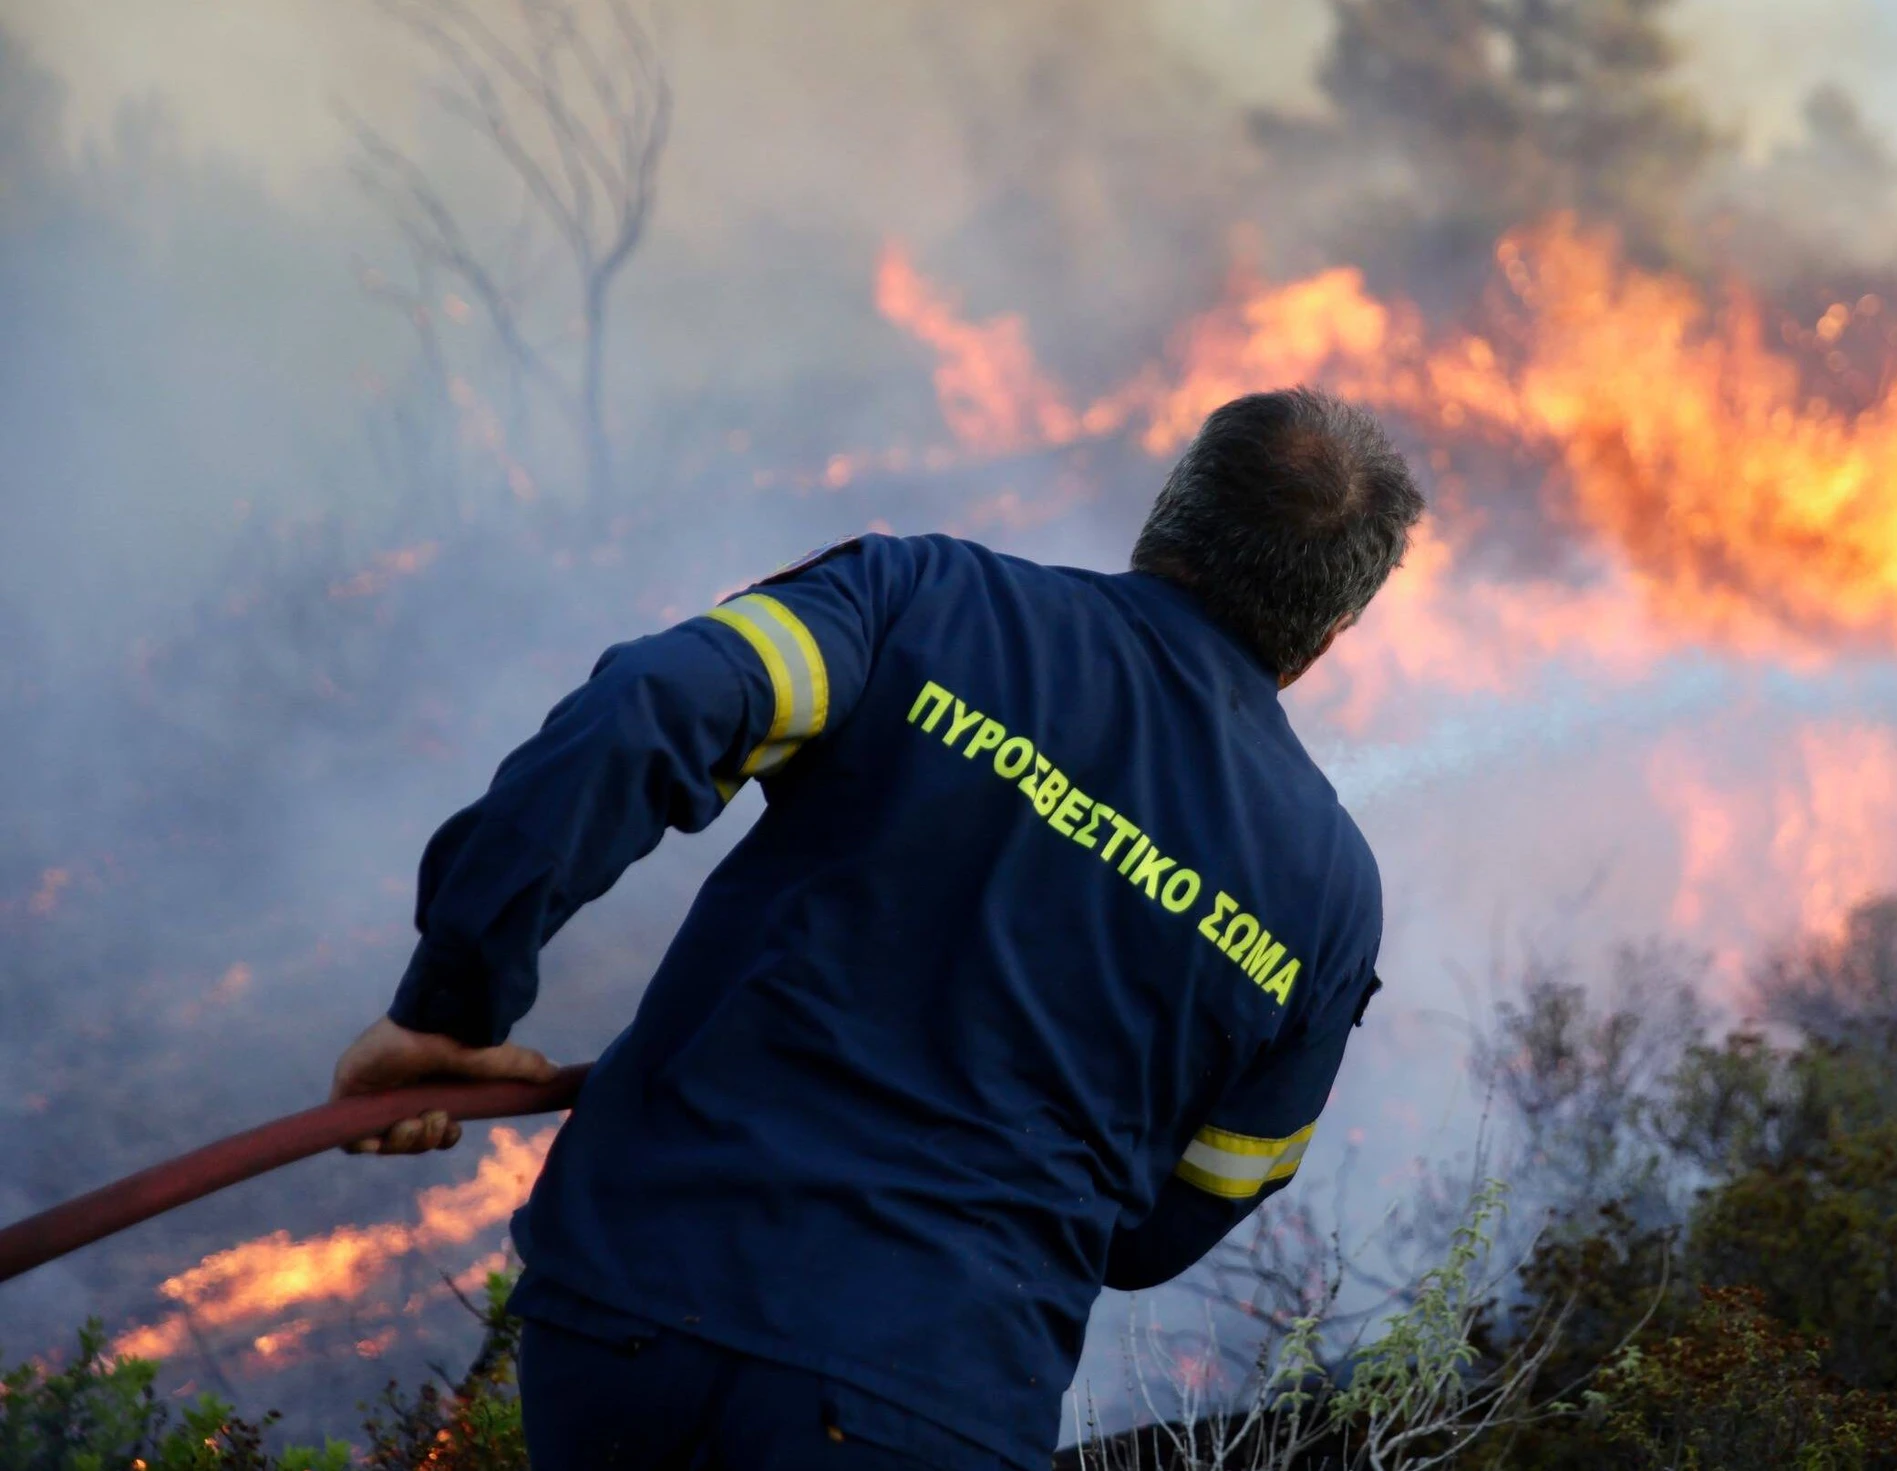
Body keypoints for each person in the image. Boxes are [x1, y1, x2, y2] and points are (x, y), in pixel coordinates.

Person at [326, 387, 1422, 1468]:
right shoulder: (1330, 901)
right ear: (1329, 633)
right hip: (934, 1395)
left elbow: (648, 708)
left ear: (1168, 510)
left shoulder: (923, 598)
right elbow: (1174, 1221)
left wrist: (451, 1006)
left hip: (632, 1307)